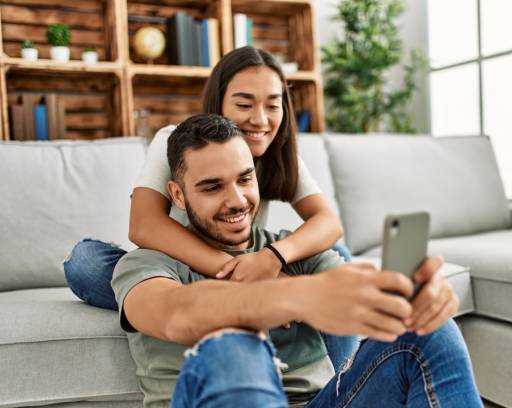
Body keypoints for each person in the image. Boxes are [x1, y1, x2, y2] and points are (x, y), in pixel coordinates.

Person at [112, 113, 482, 408]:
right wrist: (296, 297)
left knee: (432, 329)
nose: (237, 200)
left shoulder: (292, 251)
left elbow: (353, 289)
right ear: (177, 195)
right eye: (212, 187)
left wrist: (414, 298)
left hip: (325, 402)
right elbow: (177, 315)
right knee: (233, 348)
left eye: (245, 179)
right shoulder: (147, 263)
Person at [63, 46, 355, 368]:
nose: (259, 119)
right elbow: (144, 226)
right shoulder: (176, 141)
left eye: (273, 105)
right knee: (86, 261)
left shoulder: (279, 153)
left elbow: (329, 223)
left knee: (336, 256)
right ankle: (224, 299)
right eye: (244, 104)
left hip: (248, 259)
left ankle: (351, 379)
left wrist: (274, 258)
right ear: (219, 103)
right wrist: (236, 275)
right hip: (181, 269)